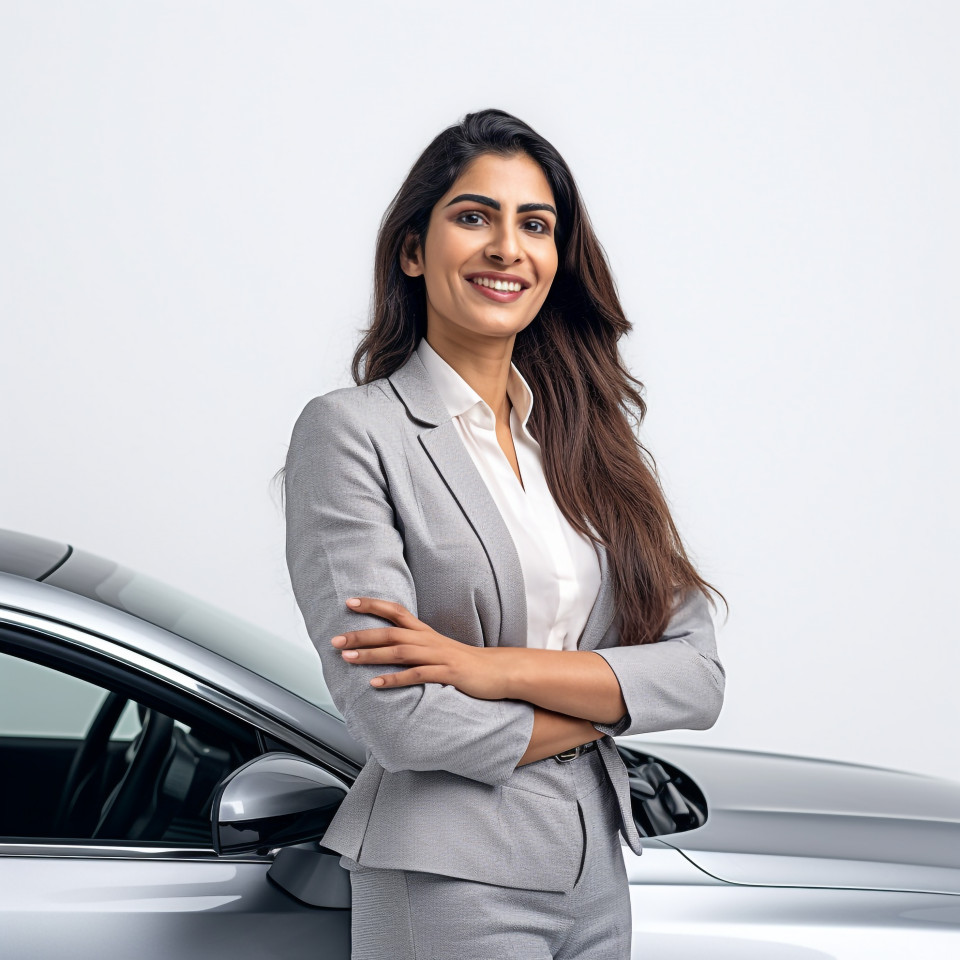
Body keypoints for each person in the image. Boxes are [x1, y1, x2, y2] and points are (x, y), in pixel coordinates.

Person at [283, 108, 726, 960]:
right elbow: (403, 722)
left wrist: (487, 670)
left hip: (596, 867)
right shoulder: (352, 433)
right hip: (447, 872)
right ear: (414, 250)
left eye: (536, 225)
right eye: (473, 216)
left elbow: (697, 676)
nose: (506, 247)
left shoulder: (591, 442)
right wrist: (607, 709)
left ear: (557, 263)